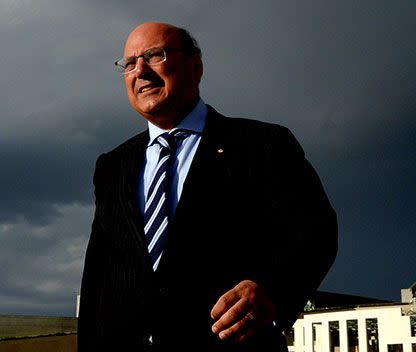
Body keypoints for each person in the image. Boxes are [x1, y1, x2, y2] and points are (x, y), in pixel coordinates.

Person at [78, 22, 338, 351]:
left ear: (195, 66)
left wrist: (271, 291)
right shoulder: (112, 166)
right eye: (129, 63)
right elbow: (98, 276)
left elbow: (317, 232)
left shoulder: (263, 145)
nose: (140, 70)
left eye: (154, 56)